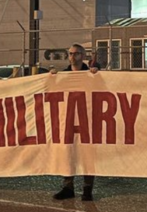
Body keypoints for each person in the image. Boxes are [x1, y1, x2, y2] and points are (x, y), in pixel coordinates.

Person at [51, 44, 99, 201]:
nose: (72, 56)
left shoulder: (91, 74)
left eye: (76, 53)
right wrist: (51, 77)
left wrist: (96, 74)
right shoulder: (64, 75)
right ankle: (68, 187)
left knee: (87, 154)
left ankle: (87, 189)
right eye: (70, 53)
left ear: (83, 56)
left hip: (87, 119)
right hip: (69, 119)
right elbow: (51, 90)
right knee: (67, 152)